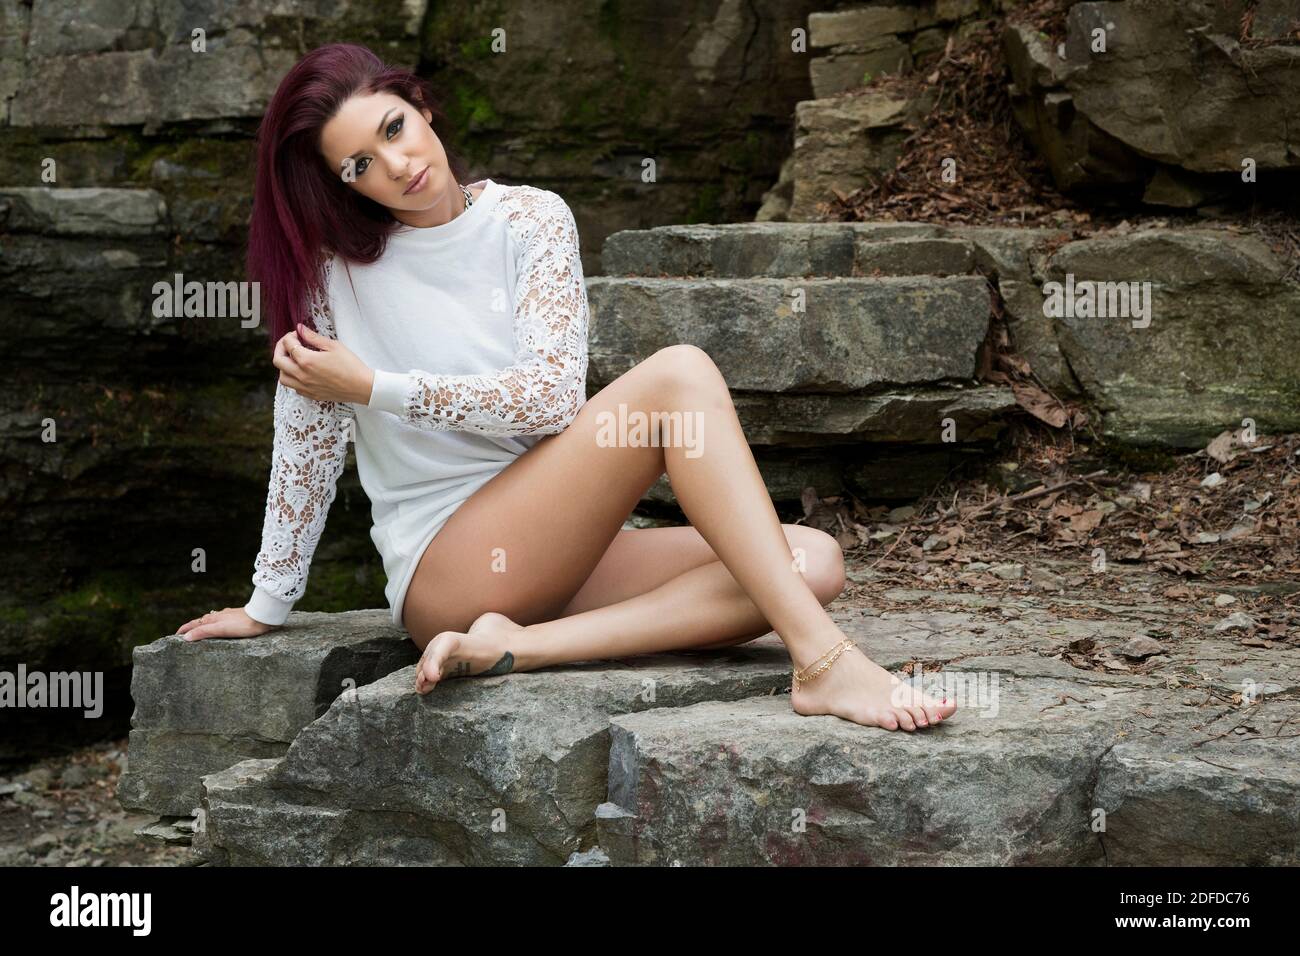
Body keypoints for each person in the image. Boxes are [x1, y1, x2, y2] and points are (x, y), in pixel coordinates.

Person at [175, 43, 955, 732]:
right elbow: (304, 448)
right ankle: (822, 664)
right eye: (359, 166)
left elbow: (550, 398)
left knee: (810, 563)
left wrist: (378, 385)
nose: (397, 165)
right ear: (344, 184)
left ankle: (518, 645)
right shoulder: (331, 279)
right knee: (680, 374)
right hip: (449, 565)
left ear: (420, 105)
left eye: (393, 130)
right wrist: (265, 603)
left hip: (553, 546)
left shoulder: (531, 219)